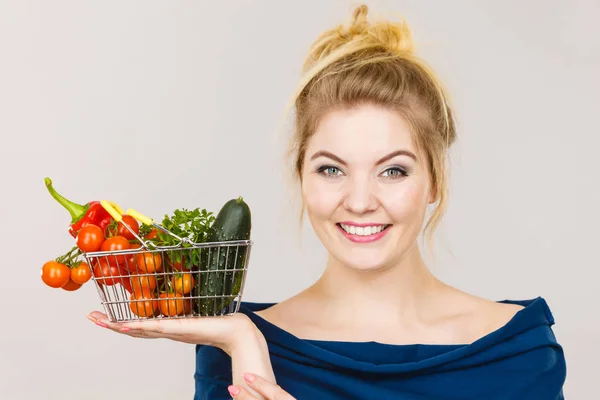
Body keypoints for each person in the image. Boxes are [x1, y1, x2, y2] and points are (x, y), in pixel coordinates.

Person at [87, 4, 567, 399]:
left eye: (393, 170)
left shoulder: (518, 352)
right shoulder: (234, 344)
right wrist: (245, 345)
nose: (359, 201)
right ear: (301, 178)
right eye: (331, 169)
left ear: (435, 182)